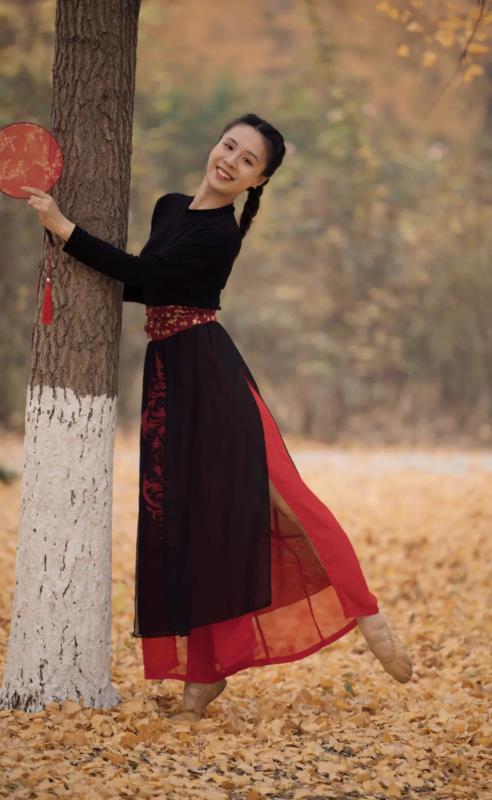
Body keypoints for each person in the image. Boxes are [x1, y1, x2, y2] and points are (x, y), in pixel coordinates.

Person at [21, 112, 412, 722]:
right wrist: (65, 246)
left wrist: (65, 229)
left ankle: (367, 612)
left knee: (286, 496)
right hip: (168, 378)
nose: (230, 161)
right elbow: (143, 288)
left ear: (257, 181)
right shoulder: (169, 207)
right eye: (229, 146)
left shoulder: (221, 235)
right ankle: (202, 678)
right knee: (188, 523)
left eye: (247, 160)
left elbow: (147, 275)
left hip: (212, 375)